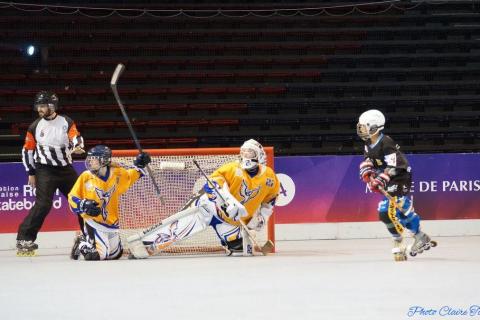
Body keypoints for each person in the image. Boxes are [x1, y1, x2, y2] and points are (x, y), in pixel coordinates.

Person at [127, 139, 279, 258]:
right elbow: (211, 185)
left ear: (259, 155)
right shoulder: (232, 168)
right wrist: (227, 201)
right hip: (208, 207)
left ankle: (230, 241)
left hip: (230, 221)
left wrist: (260, 219)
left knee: (240, 250)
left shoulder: (269, 177)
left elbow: (270, 200)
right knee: (177, 229)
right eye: (244, 152)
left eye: (250, 153)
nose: (246, 156)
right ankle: (142, 247)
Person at [357, 109, 436, 261]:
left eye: (364, 126)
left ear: (374, 127)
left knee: (387, 210)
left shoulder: (386, 142)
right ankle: (420, 236)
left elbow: (394, 167)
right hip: (388, 179)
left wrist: (381, 178)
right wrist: (366, 170)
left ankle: (398, 240)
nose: (361, 129)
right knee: (398, 211)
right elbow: (368, 159)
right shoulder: (368, 143)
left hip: (400, 177)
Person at [16, 91, 85, 256]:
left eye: (43, 105)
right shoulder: (35, 126)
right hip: (44, 170)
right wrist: (31, 172)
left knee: (82, 201)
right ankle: (24, 239)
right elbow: (27, 151)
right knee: (43, 204)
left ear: (52, 106)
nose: (39, 108)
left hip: (66, 169)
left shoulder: (65, 122)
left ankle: (89, 234)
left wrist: (77, 146)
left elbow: (76, 137)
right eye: (38, 105)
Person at [68, 145, 151, 261]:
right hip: (93, 222)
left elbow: (129, 176)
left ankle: (85, 239)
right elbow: (72, 197)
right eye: (90, 158)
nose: (90, 161)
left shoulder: (117, 174)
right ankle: (82, 242)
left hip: (111, 222)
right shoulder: (86, 176)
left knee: (116, 254)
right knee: (96, 256)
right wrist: (83, 204)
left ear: (104, 160)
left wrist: (140, 165)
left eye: (94, 159)